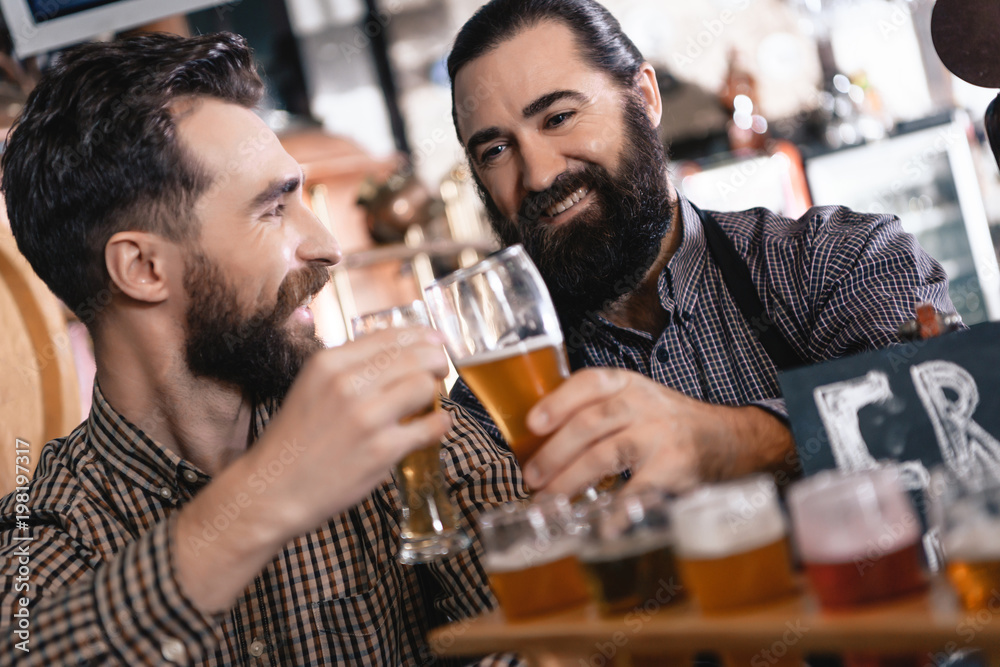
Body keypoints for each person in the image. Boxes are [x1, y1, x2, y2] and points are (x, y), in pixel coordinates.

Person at [0, 32, 523, 666]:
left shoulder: (393, 434)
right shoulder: (47, 529)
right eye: (273, 209)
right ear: (141, 267)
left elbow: (567, 635)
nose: (328, 245)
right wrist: (265, 499)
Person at [446, 0, 957, 495]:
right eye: (495, 150)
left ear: (644, 98)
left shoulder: (837, 258)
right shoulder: (493, 401)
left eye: (558, 117)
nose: (537, 175)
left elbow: (947, 407)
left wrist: (733, 443)